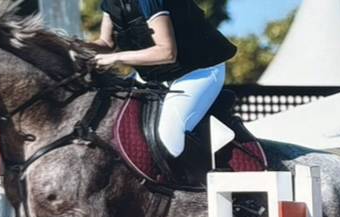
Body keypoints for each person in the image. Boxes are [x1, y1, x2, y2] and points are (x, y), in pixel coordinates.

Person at [91, 0, 237, 162]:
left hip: (199, 71)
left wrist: (116, 57)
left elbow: (167, 53)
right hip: (154, 75)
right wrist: (72, 46)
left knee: (168, 139)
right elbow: (106, 43)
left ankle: (193, 185)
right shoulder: (110, 3)